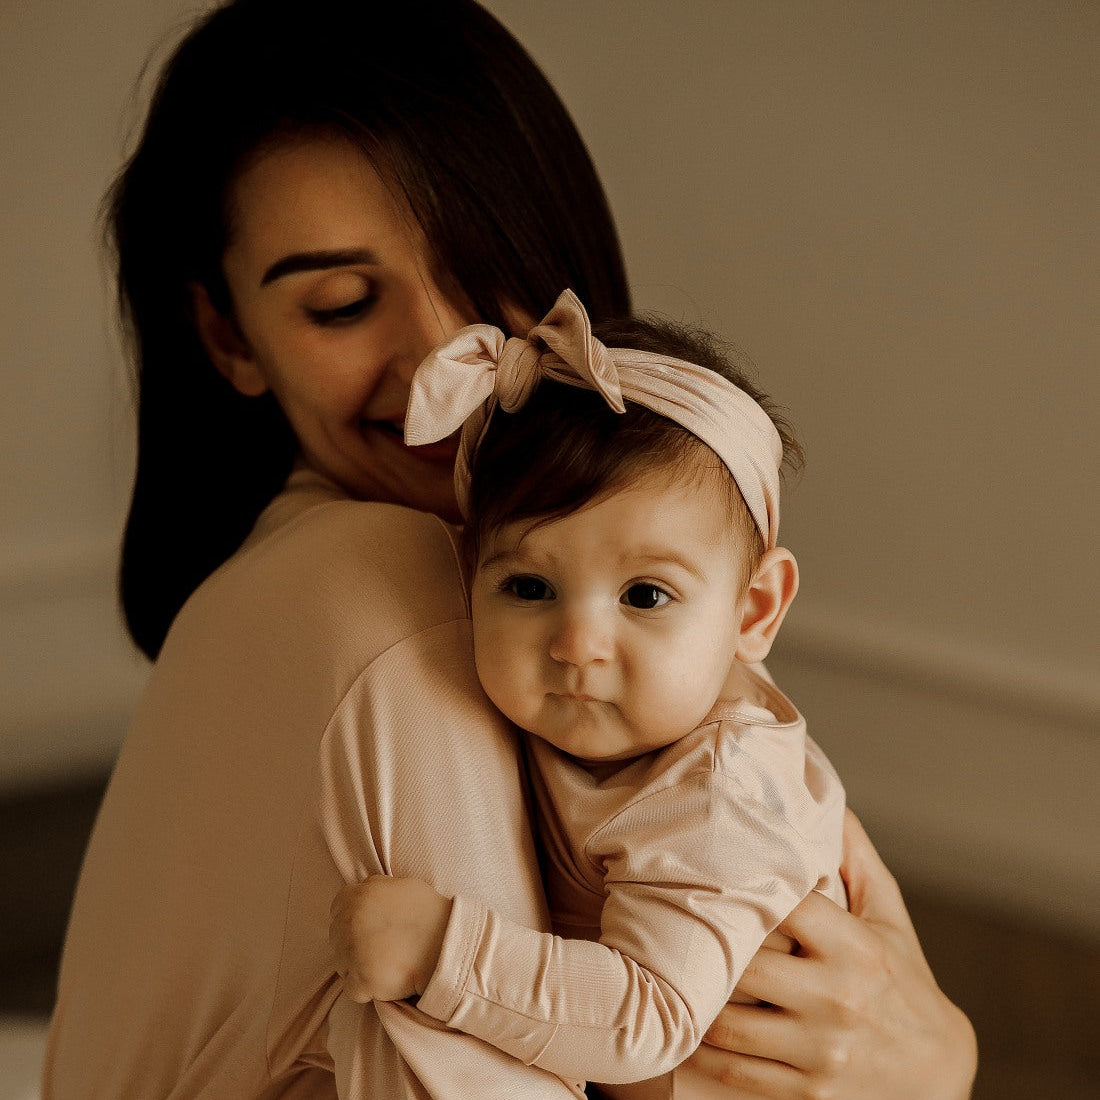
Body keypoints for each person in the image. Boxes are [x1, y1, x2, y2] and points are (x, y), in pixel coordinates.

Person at [43, 0, 976, 1097]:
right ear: (226, 338)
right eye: (341, 304)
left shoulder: (523, 607)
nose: (441, 360)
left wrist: (932, 1055)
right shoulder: (391, 590)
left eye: (483, 267)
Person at [330, 292, 848, 1097]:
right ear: (469, 579)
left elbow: (650, 1018)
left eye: (644, 597)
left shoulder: (721, 792)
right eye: (530, 586)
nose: (576, 644)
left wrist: (440, 949)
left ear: (754, 612)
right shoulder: (576, 723)